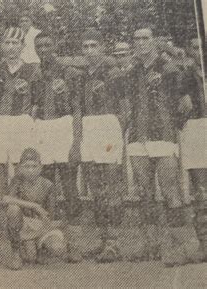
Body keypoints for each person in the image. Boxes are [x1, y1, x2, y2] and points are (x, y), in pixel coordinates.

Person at [125, 25, 198, 266]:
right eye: (136, 39)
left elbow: (186, 103)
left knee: (170, 191)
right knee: (144, 192)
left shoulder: (169, 67)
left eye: (145, 38)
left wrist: (170, 124)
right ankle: (151, 245)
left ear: (154, 40)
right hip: (137, 137)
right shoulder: (132, 70)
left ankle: (179, 247)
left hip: (163, 137)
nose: (141, 43)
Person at [0, 27, 41, 251]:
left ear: (23, 46)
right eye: (7, 42)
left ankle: (26, 239)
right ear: (1, 46)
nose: (11, 47)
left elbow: (36, 104)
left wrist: (28, 124)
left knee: (24, 179)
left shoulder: (33, 71)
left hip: (22, 124)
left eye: (16, 43)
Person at [76, 29, 129, 263]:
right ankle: (103, 238)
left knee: (111, 184)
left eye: (93, 46)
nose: (89, 51)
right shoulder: (79, 75)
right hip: (88, 126)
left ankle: (114, 242)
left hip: (108, 125)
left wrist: (117, 131)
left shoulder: (114, 72)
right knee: (95, 187)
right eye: (85, 47)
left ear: (102, 47)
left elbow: (126, 107)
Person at [32, 31, 84, 263]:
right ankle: (46, 240)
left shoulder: (70, 73)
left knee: (70, 187)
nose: (43, 49)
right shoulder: (35, 74)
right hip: (43, 129)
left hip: (63, 127)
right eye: (39, 46)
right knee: (45, 188)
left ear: (55, 45)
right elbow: (32, 108)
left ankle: (74, 245)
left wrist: (76, 143)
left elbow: (77, 109)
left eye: (47, 45)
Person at [2, 148, 65, 270]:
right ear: (20, 167)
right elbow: (6, 199)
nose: (30, 170)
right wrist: (34, 206)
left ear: (40, 167)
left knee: (57, 248)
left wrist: (45, 229)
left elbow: (52, 216)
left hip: (42, 226)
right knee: (13, 209)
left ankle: (40, 249)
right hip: (24, 226)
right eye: (26, 166)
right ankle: (16, 253)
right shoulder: (17, 181)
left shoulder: (48, 185)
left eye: (34, 166)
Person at [181, 37, 207, 261]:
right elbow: (181, 107)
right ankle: (204, 244)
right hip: (197, 128)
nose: (199, 51)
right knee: (202, 190)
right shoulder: (185, 75)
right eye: (195, 47)